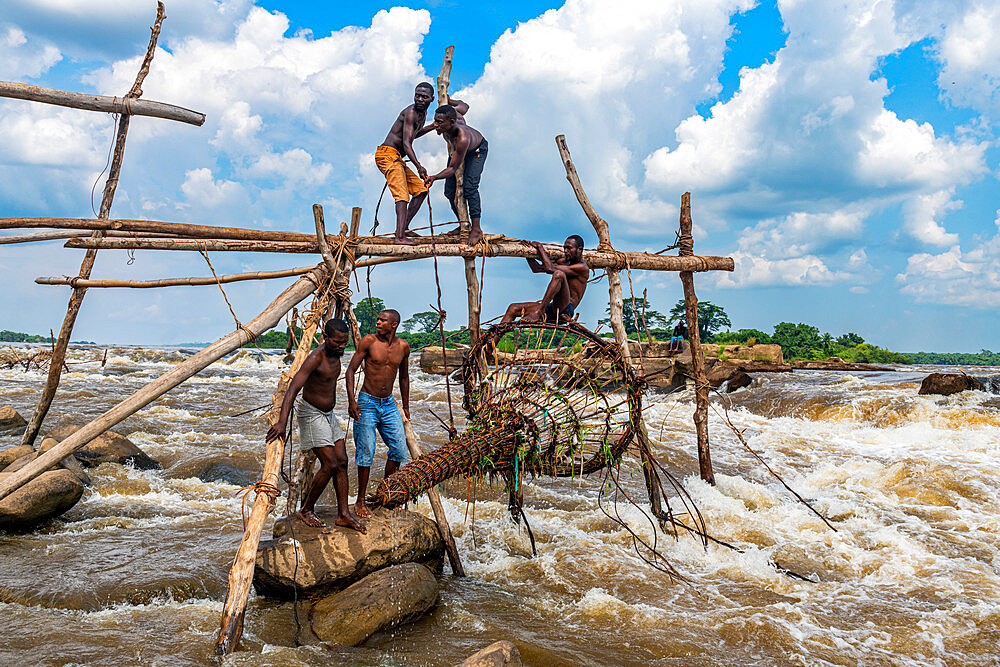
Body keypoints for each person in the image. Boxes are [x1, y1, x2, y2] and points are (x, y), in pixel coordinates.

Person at [265, 318, 365, 532]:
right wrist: (282, 422)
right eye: (337, 342)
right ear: (326, 337)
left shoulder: (336, 354)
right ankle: (306, 509)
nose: (341, 346)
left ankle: (343, 514)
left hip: (328, 414)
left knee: (343, 460)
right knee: (329, 463)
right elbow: (293, 389)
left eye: (344, 342)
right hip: (311, 413)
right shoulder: (315, 357)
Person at [345, 309, 410, 518]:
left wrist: (406, 407)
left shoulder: (403, 347)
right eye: (379, 319)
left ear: (394, 325)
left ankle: (386, 492)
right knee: (366, 451)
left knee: (399, 450)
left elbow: (404, 378)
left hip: (389, 403)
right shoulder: (369, 341)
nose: (379, 323)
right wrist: (352, 400)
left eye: (383, 321)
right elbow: (350, 371)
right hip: (367, 402)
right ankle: (360, 500)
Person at [377, 82, 436, 245]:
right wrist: (419, 166)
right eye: (417, 95)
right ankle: (399, 237)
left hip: (396, 157)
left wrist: (432, 126)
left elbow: (412, 135)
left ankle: (404, 229)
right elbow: (406, 143)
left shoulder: (422, 115)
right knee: (402, 196)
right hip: (387, 155)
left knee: (421, 190)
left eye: (424, 97)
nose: (420, 99)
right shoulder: (410, 112)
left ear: (431, 99)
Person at [423, 104, 488, 246]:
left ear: (451, 123)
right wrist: (450, 100)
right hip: (457, 152)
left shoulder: (462, 138)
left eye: (439, 123)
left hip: (476, 151)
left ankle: (476, 229)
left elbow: (452, 169)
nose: (435, 125)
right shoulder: (447, 120)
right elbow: (464, 106)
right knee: (449, 192)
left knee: (469, 188)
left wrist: (434, 177)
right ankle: (463, 223)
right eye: (435, 121)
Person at [502, 236, 589, 324]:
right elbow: (536, 268)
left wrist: (540, 246)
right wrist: (527, 253)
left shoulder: (582, 268)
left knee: (559, 274)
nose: (566, 251)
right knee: (513, 308)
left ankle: (538, 312)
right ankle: (494, 337)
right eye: (564, 248)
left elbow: (550, 268)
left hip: (565, 311)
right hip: (552, 307)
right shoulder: (564, 262)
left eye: (569, 248)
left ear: (579, 249)